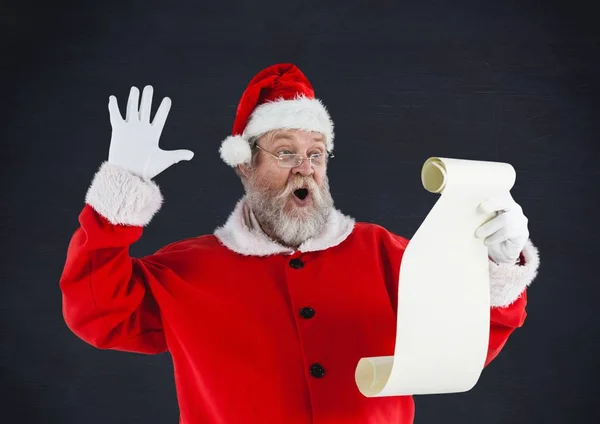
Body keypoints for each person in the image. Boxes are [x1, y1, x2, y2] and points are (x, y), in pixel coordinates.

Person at [59, 63, 540, 424]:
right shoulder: (187, 269)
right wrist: (118, 193)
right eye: (285, 151)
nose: (305, 167)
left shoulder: (385, 253)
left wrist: (497, 268)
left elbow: (465, 345)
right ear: (244, 164)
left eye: (315, 154)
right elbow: (97, 313)